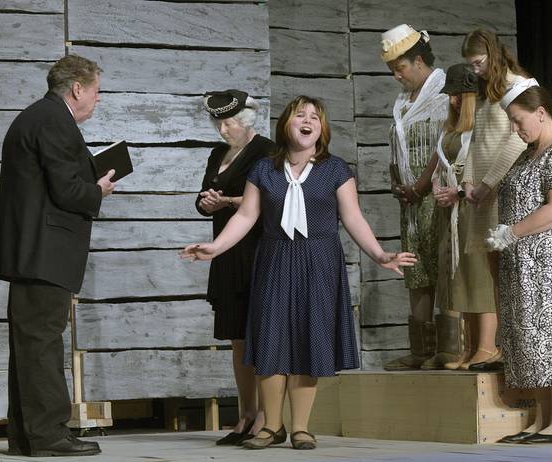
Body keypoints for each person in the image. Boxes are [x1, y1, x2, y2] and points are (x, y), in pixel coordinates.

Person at [180, 96, 415, 450]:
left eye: (315, 117)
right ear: (285, 125)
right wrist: (215, 248)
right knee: (270, 339)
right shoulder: (264, 169)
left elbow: (352, 217)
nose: (308, 121)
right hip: (274, 258)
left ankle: (301, 427)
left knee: (309, 339)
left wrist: (380, 254)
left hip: (319, 260)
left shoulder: (335, 169)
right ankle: (271, 426)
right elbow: (246, 217)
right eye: (299, 115)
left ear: (322, 128)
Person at [0, 54, 115, 457]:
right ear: (77, 88)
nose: (97, 100)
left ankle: (29, 435)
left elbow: (52, 181)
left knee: (31, 345)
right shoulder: (53, 120)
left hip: (32, 253)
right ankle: (49, 436)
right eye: (96, 91)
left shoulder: (40, 117)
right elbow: (67, 190)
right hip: (44, 254)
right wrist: (98, 190)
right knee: (41, 343)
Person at [491, 81, 552, 444]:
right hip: (524, 261)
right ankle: (539, 420)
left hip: (550, 258)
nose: (517, 130)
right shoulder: (527, 154)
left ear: (541, 112)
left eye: (519, 121)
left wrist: (512, 232)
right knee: (533, 337)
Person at [196, 90, 273, 445]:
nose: (223, 130)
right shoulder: (217, 154)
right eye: (219, 123)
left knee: (259, 334)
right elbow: (204, 196)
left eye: (229, 123)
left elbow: (272, 197)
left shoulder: (266, 151)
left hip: (255, 252)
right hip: (225, 252)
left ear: (247, 122)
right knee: (237, 339)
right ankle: (245, 413)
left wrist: (228, 200)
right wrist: (208, 203)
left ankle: (265, 416)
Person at [458, 29, 530, 371]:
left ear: (492, 54)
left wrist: (488, 183)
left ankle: (518, 343)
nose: (475, 70)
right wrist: (469, 180)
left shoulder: (518, 85)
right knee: (495, 272)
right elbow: (475, 143)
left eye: (478, 62)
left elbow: (518, 141)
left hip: (507, 192)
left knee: (512, 270)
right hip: (485, 195)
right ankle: (505, 345)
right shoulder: (487, 93)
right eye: (471, 65)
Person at [380, 24, 449, 370]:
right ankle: (421, 351)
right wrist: (398, 181)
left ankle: (449, 349)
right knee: (416, 270)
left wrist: (422, 184)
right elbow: (399, 146)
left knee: (444, 269)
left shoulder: (442, 92)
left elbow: (445, 142)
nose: (396, 75)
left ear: (419, 61)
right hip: (410, 199)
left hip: (436, 195)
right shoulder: (403, 101)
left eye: (400, 68)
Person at [429, 63, 480, 369]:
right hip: (448, 208)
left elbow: (478, 165)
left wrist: (458, 191)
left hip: (469, 206)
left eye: (459, 95)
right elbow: (441, 163)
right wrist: (437, 185)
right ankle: (456, 348)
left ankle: (477, 347)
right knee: (450, 274)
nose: (453, 101)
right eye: (451, 96)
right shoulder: (449, 127)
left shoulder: (478, 128)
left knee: (470, 275)